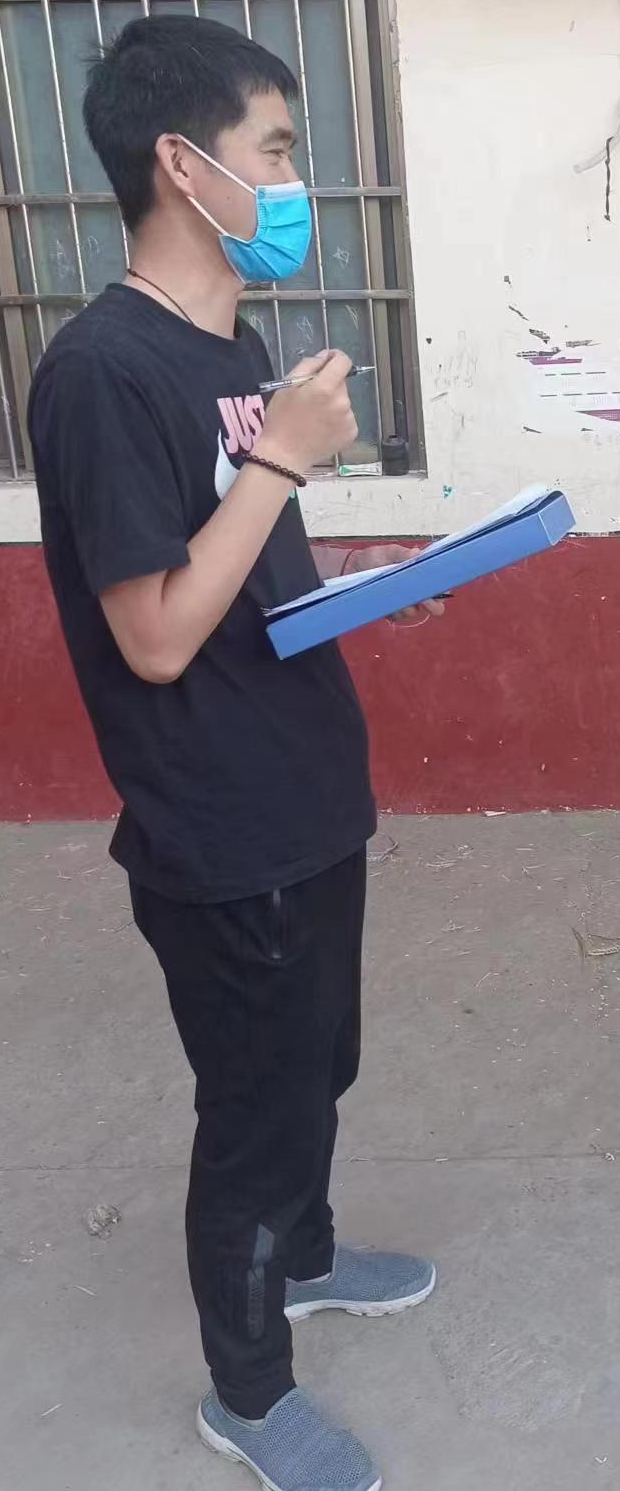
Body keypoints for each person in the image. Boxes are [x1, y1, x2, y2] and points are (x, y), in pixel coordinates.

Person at [31, 17, 440, 1489]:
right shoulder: (102, 373)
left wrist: (373, 583)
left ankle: (307, 1258)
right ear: (180, 163)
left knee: (318, 1063)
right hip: (220, 820)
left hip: (307, 782)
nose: (291, 183)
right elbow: (153, 634)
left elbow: (243, 572)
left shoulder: (237, 348)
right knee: (257, 1111)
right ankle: (250, 1395)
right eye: (272, 149)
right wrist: (282, 455)